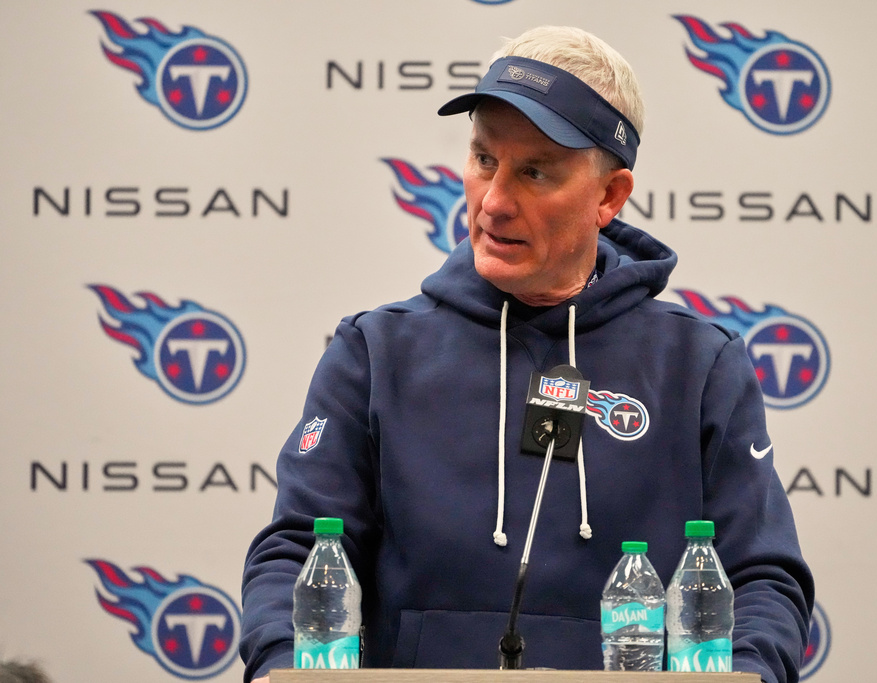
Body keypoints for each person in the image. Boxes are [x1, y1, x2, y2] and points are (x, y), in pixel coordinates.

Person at [241, 25, 813, 683]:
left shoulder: (699, 365)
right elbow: (298, 554)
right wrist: (285, 668)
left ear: (608, 196)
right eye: (484, 159)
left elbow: (763, 576)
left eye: (534, 171)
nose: (495, 201)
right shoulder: (373, 354)